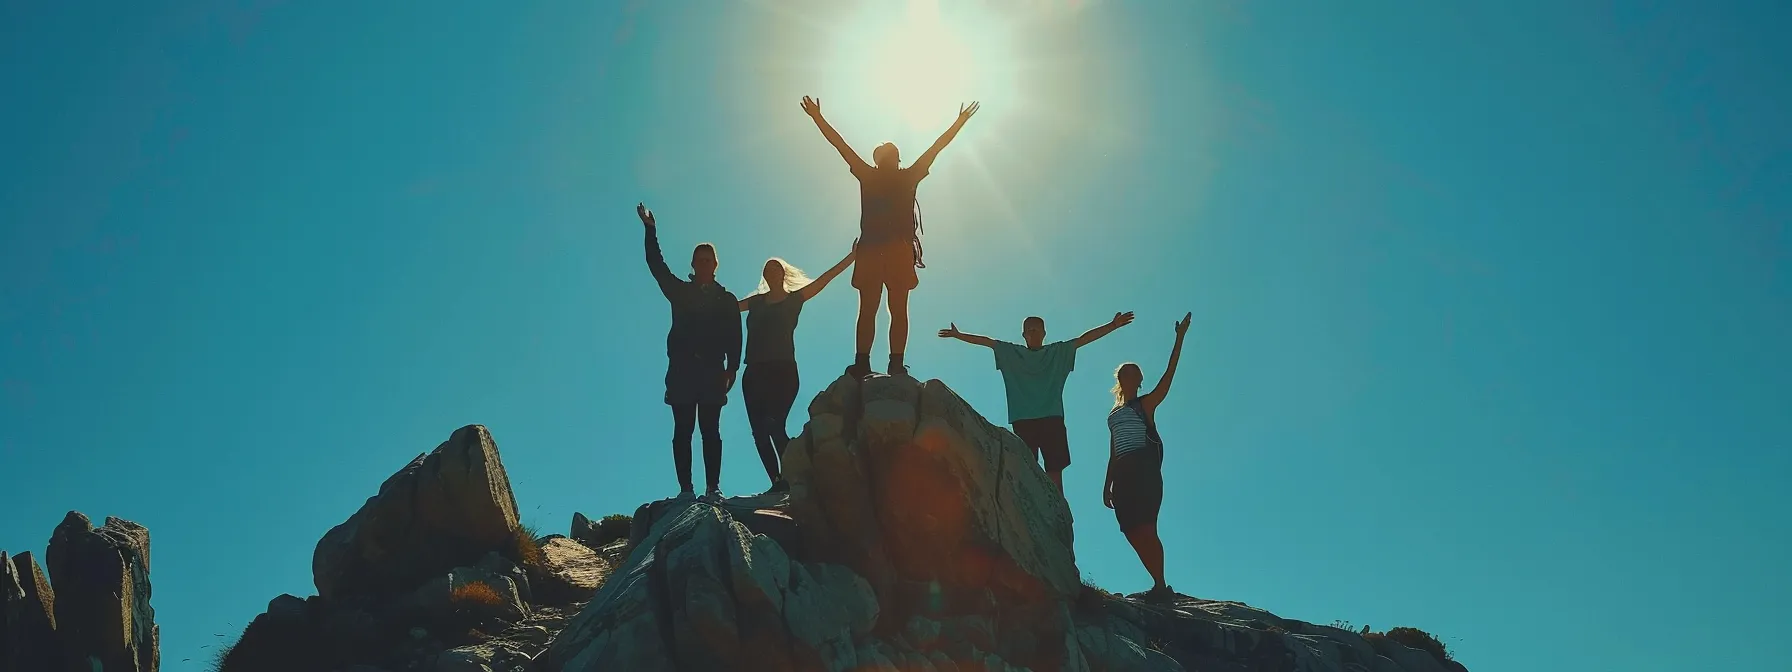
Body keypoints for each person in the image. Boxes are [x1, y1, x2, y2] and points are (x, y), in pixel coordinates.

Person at [800, 94, 980, 378]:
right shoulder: (900, 176)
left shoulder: (879, 175)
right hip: (886, 249)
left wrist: (958, 122)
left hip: (882, 249)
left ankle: (881, 362)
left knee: (884, 309)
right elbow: (842, 146)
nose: (890, 159)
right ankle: (880, 363)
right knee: (882, 309)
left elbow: (842, 146)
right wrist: (818, 118)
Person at [937, 312, 1136, 491]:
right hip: (1023, 419)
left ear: (1044, 333)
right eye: (1029, 330)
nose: (1033, 333)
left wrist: (1112, 325)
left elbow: (1083, 340)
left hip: (1051, 418)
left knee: (1055, 470)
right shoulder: (1011, 353)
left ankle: (1058, 509)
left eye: (1037, 330)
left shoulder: (1056, 353)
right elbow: (987, 342)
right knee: (1027, 468)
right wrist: (959, 335)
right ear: (1023, 335)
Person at [639, 203, 742, 502]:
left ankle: (713, 489)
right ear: (694, 264)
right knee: (682, 430)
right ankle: (686, 489)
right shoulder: (681, 291)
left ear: (716, 264)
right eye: (700, 260)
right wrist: (650, 231)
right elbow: (657, 266)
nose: (704, 264)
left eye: (709, 260)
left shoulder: (726, 300)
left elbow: (736, 336)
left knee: (711, 430)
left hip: (712, 371)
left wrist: (732, 368)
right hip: (682, 370)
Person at [738, 243, 857, 493]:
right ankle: (778, 484)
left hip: (783, 371)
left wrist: (851, 257)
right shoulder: (756, 302)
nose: (772, 274)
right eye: (767, 271)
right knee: (759, 432)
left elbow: (824, 280)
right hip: (754, 373)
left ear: (783, 274)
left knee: (774, 425)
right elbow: (727, 307)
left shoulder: (794, 299)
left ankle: (796, 472)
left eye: (776, 270)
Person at [1104, 312, 1191, 600]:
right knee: (1130, 530)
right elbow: (1113, 450)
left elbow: (1168, 378)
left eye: (1134, 373)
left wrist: (1179, 339)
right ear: (1120, 379)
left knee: (1148, 528)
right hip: (1123, 474)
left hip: (1145, 470)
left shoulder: (1146, 404)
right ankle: (1158, 583)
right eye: (1124, 373)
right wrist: (1107, 485)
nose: (1129, 377)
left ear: (1139, 380)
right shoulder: (1114, 414)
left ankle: (1160, 585)